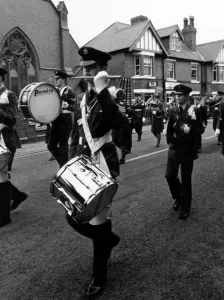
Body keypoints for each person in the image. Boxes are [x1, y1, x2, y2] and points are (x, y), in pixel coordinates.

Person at [68, 46, 121, 297]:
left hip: (102, 163)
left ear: (101, 69)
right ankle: (108, 240)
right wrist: (70, 163)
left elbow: (113, 122)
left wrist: (102, 90)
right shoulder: (83, 97)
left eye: (90, 68)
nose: (85, 72)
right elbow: (77, 133)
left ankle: (99, 276)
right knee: (73, 215)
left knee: (98, 221)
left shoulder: (111, 93)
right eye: (84, 68)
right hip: (85, 163)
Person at [165, 84, 203, 220]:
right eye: (176, 95)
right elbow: (170, 124)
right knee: (169, 175)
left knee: (186, 180)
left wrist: (191, 129)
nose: (177, 97)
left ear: (187, 97)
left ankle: (186, 207)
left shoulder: (194, 110)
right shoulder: (173, 109)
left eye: (179, 95)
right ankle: (179, 196)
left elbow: (200, 130)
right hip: (175, 147)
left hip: (187, 148)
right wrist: (169, 138)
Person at [0, 67, 28, 227]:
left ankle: (4, 217)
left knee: (2, 177)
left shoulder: (9, 94)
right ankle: (18, 196)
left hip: (6, 140)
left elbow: (12, 119)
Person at [47, 70, 76, 168]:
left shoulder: (68, 90)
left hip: (65, 120)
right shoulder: (54, 90)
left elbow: (74, 107)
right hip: (56, 120)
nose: (56, 80)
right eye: (55, 79)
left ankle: (63, 167)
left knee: (63, 145)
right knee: (50, 145)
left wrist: (67, 105)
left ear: (63, 80)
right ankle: (65, 165)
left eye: (58, 79)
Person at [109, 87, 131, 164]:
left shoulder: (122, 103)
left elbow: (125, 112)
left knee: (121, 140)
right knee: (114, 139)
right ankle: (124, 150)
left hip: (122, 124)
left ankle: (122, 158)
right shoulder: (114, 103)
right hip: (116, 123)